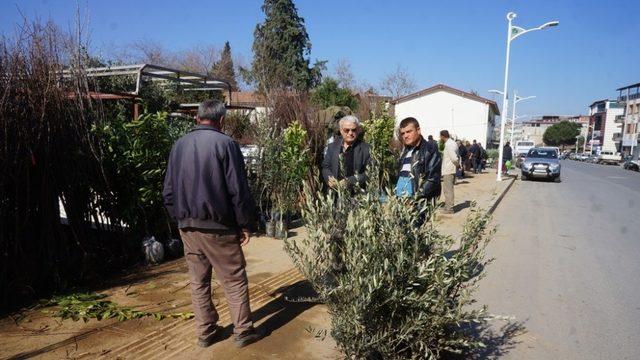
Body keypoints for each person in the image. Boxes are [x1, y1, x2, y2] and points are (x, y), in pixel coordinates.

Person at [162, 100, 262, 349]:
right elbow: (238, 191)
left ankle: (206, 332)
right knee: (234, 279)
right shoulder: (226, 144)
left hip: (188, 226)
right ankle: (243, 331)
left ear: (197, 118)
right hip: (219, 227)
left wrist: (180, 218)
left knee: (198, 281)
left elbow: (168, 191)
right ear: (221, 120)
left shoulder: (179, 145)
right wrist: (245, 224)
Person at [395, 117, 442, 202]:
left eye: (409, 131)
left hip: (417, 203)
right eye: (403, 133)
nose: (405, 136)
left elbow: (432, 179)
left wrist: (415, 198)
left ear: (418, 130)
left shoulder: (429, 150)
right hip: (401, 201)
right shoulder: (405, 151)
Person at [322, 115, 371, 192]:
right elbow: (326, 166)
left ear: (358, 130)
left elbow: (370, 173)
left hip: (356, 195)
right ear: (341, 130)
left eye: (353, 130)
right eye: (347, 130)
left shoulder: (366, 149)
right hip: (335, 194)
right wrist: (329, 178)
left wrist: (349, 181)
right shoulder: (332, 147)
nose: (350, 133)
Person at [440, 130, 460, 214]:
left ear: (443, 136)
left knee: (448, 190)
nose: (439, 138)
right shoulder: (451, 143)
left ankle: (449, 209)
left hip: (449, 169)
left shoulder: (449, 144)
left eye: (440, 136)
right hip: (449, 169)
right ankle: (448, 206)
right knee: (447, 189)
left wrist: (457, 164)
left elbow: (454, 158)